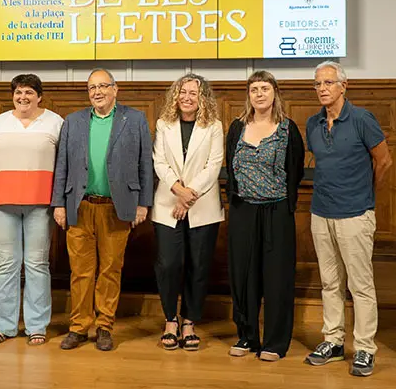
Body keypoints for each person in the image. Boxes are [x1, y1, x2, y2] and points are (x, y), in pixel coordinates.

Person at [51, 68, 154, 352]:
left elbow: (146, 163)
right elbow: (62, 165)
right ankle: (78, 327)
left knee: (110, 269)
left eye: (102, 86)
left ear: (115, 89)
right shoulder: (73, 121)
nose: (97, 92)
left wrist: (143, 202)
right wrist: (59, 203)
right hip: (80, 206)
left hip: (116, 208)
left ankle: (105, 326)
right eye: (92, 88)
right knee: (80, 272)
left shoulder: (134, 119)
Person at [304, 61, 392, 377]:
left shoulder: (361, 119)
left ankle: (365, 348)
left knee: (360, 285)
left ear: (344, 85)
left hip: (355, 214)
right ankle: (334, 341)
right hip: (321, 213)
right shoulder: (312, 124)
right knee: (330, 282)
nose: (322, 89)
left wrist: (364, 198)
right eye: (317, 84)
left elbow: (384, 161)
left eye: (328, 82)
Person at [225, 70, 304, 362]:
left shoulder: (287, 129)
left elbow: (294, 170)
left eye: (264, 88)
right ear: (249, 95)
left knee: (277, 277)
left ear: (274, 93)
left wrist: (280, 199)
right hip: (243, 209)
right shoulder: (237, 128)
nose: (259, 94)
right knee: (244, 276)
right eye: (254, 89)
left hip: (277, 211)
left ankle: (275, 342)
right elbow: (230, 168)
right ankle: (246, 337)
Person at [0, 74, 63, 346]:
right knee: (7, 263)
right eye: (18, 92)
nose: (23, 97)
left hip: (40, 202)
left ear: (39, 96)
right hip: (4, 201)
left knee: (37, 263)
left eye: (29, 92)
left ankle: (36, 326)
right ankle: (3, 325)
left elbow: (62, 163)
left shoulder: (55, 122)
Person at [152, 74, 224, 352]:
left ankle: (189, 323)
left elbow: (214, 164)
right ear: (175, 96)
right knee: (168, 264)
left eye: (194, 93)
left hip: (202, 206)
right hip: (168, 203)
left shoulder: (214, 126)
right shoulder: (163, 124)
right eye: (183, 92)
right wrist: (178, 191)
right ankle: (170, 320)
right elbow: (159, 161)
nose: (187, 97)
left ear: (202, 97)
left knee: (198, 265)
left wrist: (189, 194)